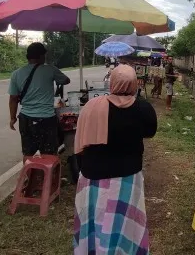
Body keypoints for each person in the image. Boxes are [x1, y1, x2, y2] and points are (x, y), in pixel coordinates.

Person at [73, 64, 157, 255]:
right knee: (124, 221)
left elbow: (81, 139)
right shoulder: (143, 108)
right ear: (135, 84)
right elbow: (150, 132)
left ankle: (93, 249)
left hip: (93, 175)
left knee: (95, 217)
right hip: (127, 177)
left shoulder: (92, 105)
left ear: (112, 82)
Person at [8, 42, 70, 163]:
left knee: (28, 153)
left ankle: (28, 177)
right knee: (49, 153)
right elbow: (66, 80)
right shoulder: (50, 69)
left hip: (26, 119)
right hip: (46, 118)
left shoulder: (16, 74)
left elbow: (13, 98)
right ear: (42, 56)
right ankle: (49, 179)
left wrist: (12, 118)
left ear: (28, 56)